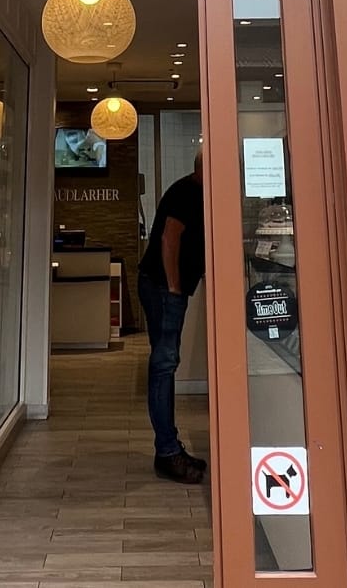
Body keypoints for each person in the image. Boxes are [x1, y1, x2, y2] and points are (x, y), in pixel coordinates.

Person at [137, 148, 208, 484]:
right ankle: (167, 452)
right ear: (203, 169)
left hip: (161, 287)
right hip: (162, 289)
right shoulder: (187, 193)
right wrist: (176, 288)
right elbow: (169, 239)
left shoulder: (196, 192)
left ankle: (168, 448)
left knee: (165, 364)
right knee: (164, 364)